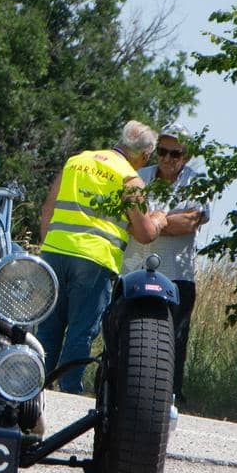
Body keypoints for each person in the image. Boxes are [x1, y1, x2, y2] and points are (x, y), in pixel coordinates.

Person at [34, 120, 167, 393]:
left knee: (48, 328)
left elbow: (48, 208)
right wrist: (159, 220)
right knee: (81, 331)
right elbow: (144, 233)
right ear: (145, 155)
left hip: (55, 252)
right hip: (94, 260)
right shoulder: (130, 179)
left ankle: (35, 388)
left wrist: (48, 246)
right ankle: (69, 391)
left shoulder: (76, 161)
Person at [123, 121, 209, 403]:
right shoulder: (139, 177)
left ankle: (169, 396)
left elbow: (191, 221)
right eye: (162, 152)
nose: (167, 159)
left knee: (175, 338)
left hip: (178, 275)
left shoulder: (196, 181)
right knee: (127, 333)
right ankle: (121, 391)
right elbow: (128, 222)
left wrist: (153, 222)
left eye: (175, 154)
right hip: (135, 270)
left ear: (186, 155)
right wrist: (161, 222)